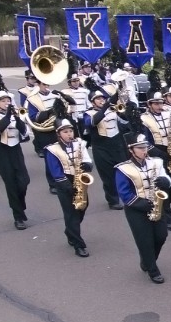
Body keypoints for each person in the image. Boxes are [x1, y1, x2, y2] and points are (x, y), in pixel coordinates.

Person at [115, 132, 171, 284]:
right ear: (131, 150)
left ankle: (147, 260)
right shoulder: (123, 169)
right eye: (140, 148)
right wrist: (141, 204)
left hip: (156, 204)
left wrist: (165, 182)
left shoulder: (156, 162)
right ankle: (153, 269)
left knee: (161, 235)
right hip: (136, 209)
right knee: (145, 240)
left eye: (145, 147)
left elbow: (166, 178)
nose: (144, 150)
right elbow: (123, 192)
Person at [45, 119, 93, 258]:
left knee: (83, 207)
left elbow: (87, 159)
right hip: (64, 182)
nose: (69, 134)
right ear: (58, 133)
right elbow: (55, 171)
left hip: (79, 179)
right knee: (71, 213)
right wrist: (67, 186)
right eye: (65, 132)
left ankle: (70, 231)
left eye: (70, 131)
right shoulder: (52, 149)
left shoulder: (79, 143)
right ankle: (79, 245)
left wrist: (87, 165)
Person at [0, 90, 31, 230]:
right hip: (2, 150)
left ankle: (19, 206)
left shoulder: (17, 114)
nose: (7, 103)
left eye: (8, 100)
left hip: (16, 149)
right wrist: (8, 115)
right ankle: (17, 217)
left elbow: (25, 134)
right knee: (10, 184)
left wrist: (16, 118)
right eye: (3, 101)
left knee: (24, 181)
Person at [142, 92, 171, 231]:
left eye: (160, 103)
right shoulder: (143, 118)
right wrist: (155, 152)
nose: (159, 106)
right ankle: (167, 216)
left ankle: (164, 205)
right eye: (156, 103)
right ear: (150, 104)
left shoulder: (169, 113)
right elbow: (142, 139)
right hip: (155, 152)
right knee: (163, 185)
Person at [83, 89, 127, 210]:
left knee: (124, 173)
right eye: (98, 98)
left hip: (117, 146)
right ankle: (113, 200)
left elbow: (126, 122)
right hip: (101, 149)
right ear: (92, 102)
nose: (101, 100)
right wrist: (106, 107)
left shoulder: (113, 110)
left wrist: (122, 103)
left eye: (103, 98)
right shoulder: (88, 113)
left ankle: (127, 196)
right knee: (108, 177)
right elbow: (91, 123)